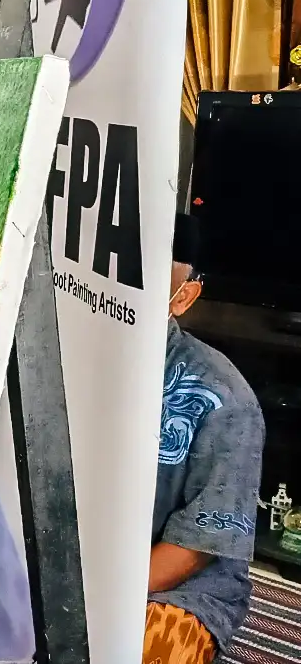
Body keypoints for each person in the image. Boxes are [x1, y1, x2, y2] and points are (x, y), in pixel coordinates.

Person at [145, 214, 264, 664]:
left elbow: (193, 550)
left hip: (179, 590)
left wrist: (91, 597)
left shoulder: (223, 398)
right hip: (67, 556)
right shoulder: (68, 358)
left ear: (185, 295)